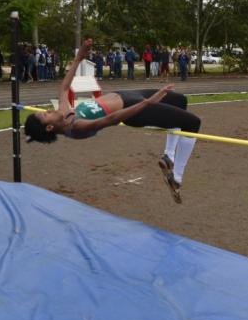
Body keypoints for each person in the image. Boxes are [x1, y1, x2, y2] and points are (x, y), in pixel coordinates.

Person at [24, 39, 201, 203]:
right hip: (134, 109)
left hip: (127, 94)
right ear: (49, 127)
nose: (48, 110)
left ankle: (169, 156)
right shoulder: (76, 128)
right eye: (46, 114)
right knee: (193, 123)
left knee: (180, 101)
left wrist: (78, 58)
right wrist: (148, 103)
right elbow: (111, 118)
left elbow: (63, 87)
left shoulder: (63, 112)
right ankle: (177, 177)